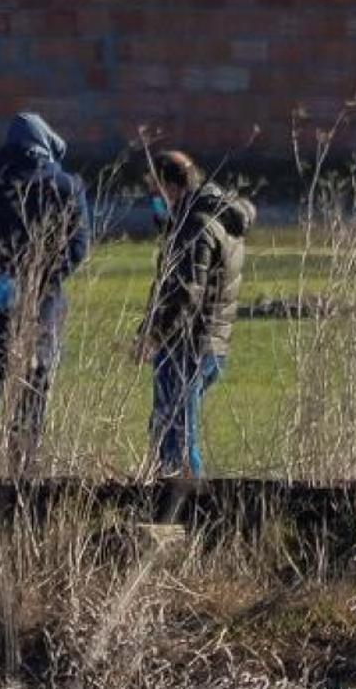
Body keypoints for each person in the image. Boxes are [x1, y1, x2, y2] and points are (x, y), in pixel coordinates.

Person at [0, 112, 90, 476]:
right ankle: (24, 468)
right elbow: (79, 246)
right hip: (43, 303)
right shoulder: (65, 186)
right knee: (33, 387)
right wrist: (41, 278)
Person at [136, 151, 256, 477]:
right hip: (210, 345)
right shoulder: (215, 218)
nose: (154, 200)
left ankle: (185, 510)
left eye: (155, 190)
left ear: (171, 186)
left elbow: (184, 292)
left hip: (187, 345)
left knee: (178, 442)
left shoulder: (197, 225)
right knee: (172, 429)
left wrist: (155, 335)